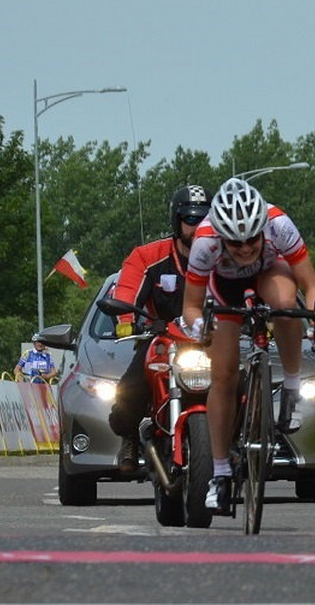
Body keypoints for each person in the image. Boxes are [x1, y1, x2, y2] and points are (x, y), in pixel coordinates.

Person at [179, 177, 315, 516]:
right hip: (226, 287)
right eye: (235, 243)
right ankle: (219, 473)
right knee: (224, 376)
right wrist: (202, 326)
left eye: (252, 239)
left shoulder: (279, 224)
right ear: (221, 237)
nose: (245, 249)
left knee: (287, 303)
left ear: (263, 229)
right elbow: (190, 307)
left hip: (271, 272)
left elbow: (313, 287)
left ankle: (290, 389)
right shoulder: (205, 242)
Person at [109, 184, 211, 474]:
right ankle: (129, 436)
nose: (197, 227)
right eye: (191, 220)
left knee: (242, 383)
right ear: (176, 221)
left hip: (212, 341)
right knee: (129, 389)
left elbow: (246, 289)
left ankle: (243, 442)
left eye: (204, 220)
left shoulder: (224, 257)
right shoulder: (148, 255)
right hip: (162, 340)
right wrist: (127, 319)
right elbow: (127, 289)